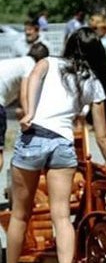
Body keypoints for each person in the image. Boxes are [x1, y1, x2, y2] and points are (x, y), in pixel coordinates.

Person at [1, 27, 106, 263]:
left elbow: (33, 77)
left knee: (20, 213)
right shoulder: (93, 81)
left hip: (35, 138)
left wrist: (31, 111)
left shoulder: (49, 62)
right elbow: (102, 135)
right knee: (61, 216)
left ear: (69, 44)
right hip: (62, 144)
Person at [0, 43, 50, 173]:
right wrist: (31, 119)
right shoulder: (30, 65)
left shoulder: (17, 62)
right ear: (41, 61)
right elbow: (24, 95)